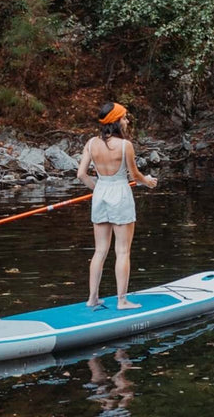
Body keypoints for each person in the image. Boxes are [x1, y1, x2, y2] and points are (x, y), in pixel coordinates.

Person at [76, 102, 158, 309]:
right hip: (120, 194)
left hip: (101, 194)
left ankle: (92, 298)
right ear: (115, 121)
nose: (127, 121)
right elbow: (135, 175)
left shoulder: (91, 143)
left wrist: (97, 189)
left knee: (100, 250)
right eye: (124, 118)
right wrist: (148, 181)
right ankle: (122, 300)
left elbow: (81, 174)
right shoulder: (125, 145)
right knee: (122, 251)